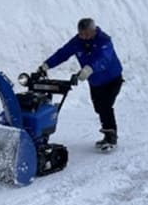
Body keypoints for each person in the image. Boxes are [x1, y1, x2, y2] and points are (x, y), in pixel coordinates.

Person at [39, 18, 123, 151]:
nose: (84, 37)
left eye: (87, 34)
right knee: (99, 107)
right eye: (81, 34)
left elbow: (104, 58)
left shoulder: (104, 40)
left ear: (93, 30)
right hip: (95, 82)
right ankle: (108, 133)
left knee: (105, 106)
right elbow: (63, 53)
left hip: (112, 79)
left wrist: (89, 68)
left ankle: (111, 137)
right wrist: (46, 65)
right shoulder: (77, 42)